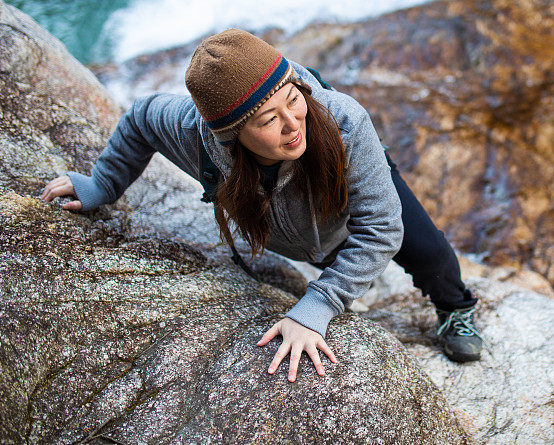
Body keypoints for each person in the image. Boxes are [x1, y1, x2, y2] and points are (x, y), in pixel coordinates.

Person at [40, 29, 483, 382]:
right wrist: (102, 184)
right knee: (331, 253)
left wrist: (319, 306)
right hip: (290, 224)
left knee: (430, 254)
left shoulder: (343, 120)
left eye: (294, 100)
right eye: (268, 120)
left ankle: (456, 310)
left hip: (349, 177)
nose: (293, 124)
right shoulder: (196, 136)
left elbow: (382, 228)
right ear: (229, 133)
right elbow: (140, 118)